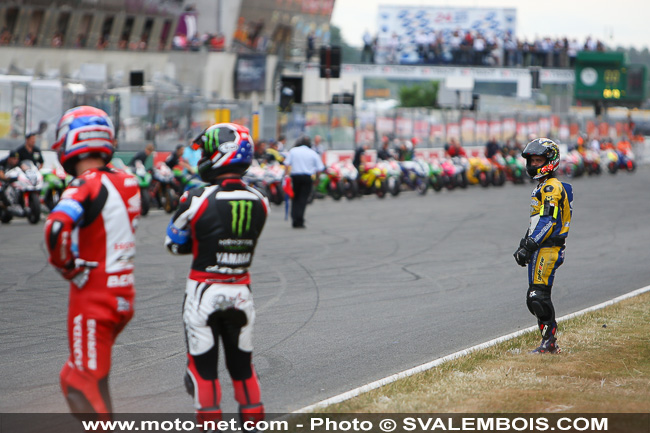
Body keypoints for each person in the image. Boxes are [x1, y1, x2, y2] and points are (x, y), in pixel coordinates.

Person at [165, 123, 268, 428]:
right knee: (243, 369)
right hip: (241, 293)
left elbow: (173, 243)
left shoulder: (194, 197)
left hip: (203, 292)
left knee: (202, 372)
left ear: (220, 154)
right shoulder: (261, 200)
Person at [43, 106, 141, 420]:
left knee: (79, 383)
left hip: (93, 297)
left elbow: (56, 228)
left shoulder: (85, 184)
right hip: (123, 295)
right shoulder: (129, 181)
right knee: (94, 378)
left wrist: (67, 266)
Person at [513, 138, 573, 354]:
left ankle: (550, 342)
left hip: (549, 248)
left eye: (539, 160)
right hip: (540, 247)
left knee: (538, 297)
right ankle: (548, 341)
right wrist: (524, 243)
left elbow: (548, 222)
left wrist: (529, 245)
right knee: (534, 297)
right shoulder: (543, 186)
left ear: (550, 161)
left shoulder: (551, 187)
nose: (534, 165)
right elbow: (537, 221)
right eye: (532, 160)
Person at [285, 136, 324, 228]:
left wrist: (286, 176)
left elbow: (286, 164)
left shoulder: (293, 151)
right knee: (303, 199)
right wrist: (317, 179)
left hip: (295, 177)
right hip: (307, 177)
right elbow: (319, 168)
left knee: (295, 197)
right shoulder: (313, 153)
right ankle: (300, 219)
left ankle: (294, 218)